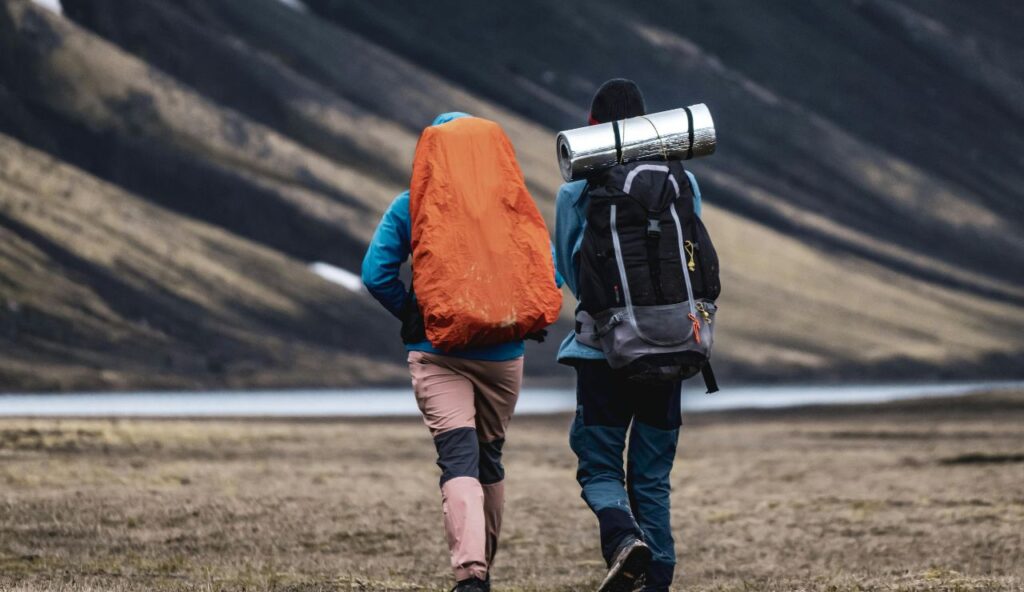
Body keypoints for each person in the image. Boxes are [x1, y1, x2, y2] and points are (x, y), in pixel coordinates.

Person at [362, 112, 557, 592]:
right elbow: (548, 276)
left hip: (436, 352)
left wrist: (412, 311)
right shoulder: (512, 203)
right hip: (502, 356)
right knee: (488, 461)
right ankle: (482, 570)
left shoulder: (412, 205)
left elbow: (374, 274)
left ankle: (472, 577)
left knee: (458, 459)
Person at [554, 80, 704, 592]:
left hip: (602, 353)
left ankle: (623, 541)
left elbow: (569, 270)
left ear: (592, 126)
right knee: (652, 478)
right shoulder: (682, 181)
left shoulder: (576, 190)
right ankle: (656, 581)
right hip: (671, 346)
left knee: (598, 466)